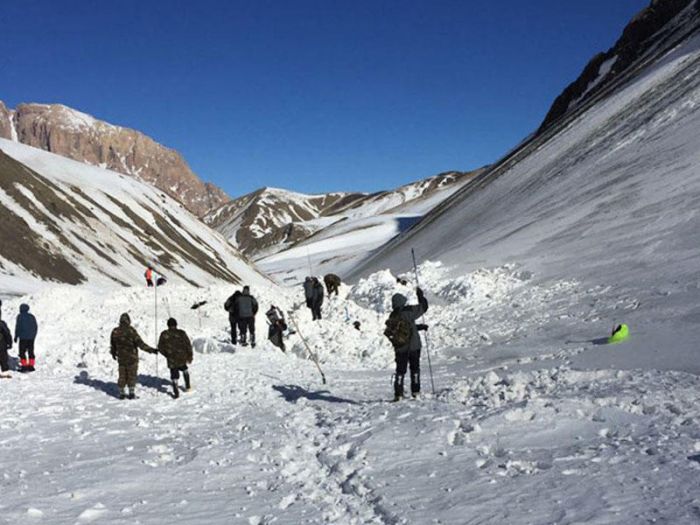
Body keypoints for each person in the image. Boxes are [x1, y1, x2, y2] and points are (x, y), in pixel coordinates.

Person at [384, 287, 428, 401]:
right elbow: (424, 307)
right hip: (414, 346)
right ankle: (416, 391)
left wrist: (419, 327)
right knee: (415, 369)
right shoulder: (408, 311)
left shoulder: (392, 316)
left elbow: (405, 328)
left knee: (400, 371)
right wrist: (420, 296)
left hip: (400, 349)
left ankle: (398, 394)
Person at [110, 313, 156, 399]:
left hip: (121, 358)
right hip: (132, 358)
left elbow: (113, 345)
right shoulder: (131, 331)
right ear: (128, 321)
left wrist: (113, 353)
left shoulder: (115, 331)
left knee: (122, 375)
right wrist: (151, 350)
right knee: (132, 375)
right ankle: (131, 393)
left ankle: (121, 393)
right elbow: (140, 344)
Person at [157, 318, 193, 399]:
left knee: (174, 375)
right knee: (185, 369)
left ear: (168, 325)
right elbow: (188, 344)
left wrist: (166, 354)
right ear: (176, 324)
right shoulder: (181, 333)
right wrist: (190, 355)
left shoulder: (164, 334)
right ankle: (188, 386)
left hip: (171, 359)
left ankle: (176, 393)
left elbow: (160, 347)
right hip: (182, 357)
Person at [15, 304, 38, 372]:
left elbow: (18, 327)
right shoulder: (32, 316)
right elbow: (35, 327)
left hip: (23, 337)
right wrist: (33, 335)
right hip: (31, 338)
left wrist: (16, 336)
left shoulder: (20, 316)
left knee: (22, 352)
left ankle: (24, 366)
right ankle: (31, 366)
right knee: (31, 351)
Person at [0, 312, 12, 378]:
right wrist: (9, 343)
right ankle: (5, 372)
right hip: (2, 344)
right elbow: (7, 333)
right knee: (3, 358)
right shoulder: (2, 323)